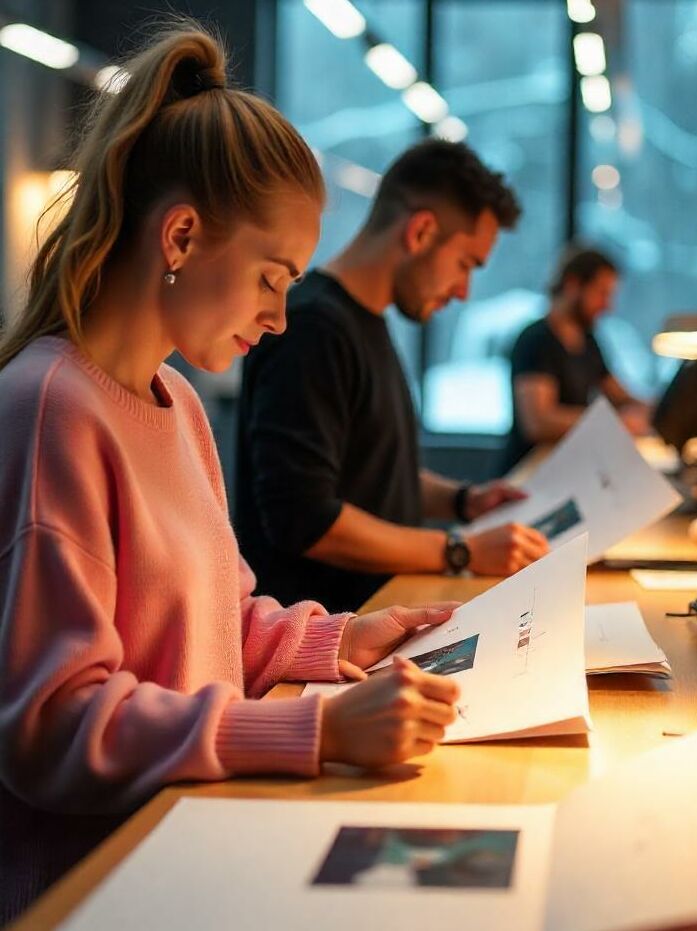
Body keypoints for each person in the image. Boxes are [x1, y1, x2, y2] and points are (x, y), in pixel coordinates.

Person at [0, 25, 460, 923]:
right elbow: (50, 723)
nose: (281, 316)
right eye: (271, 277)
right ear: (180, 235)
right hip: (102, 884)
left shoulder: (175, 399)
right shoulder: (51, 406)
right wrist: (314, 727)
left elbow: (212, 621)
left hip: (192, 834)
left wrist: (343, 642)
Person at [236, 139, 549, 613]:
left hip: (373, 623)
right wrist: (458, 549)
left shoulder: (365, 322)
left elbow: (371, 470)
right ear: (421, 231)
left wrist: (465, 502)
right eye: (466, 264)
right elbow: (305, 517)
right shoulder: (315, 328)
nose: (464, 292)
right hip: (320, 647)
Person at [501, 245, 651, 472]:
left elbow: (620, 395)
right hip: (530, 471)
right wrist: (612, 425)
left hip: (567, 466)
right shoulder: (536, 339)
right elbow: (538, 422)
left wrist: (661, 408)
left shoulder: (588, 340)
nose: (607, 306)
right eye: (602, 293)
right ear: (573, 285)